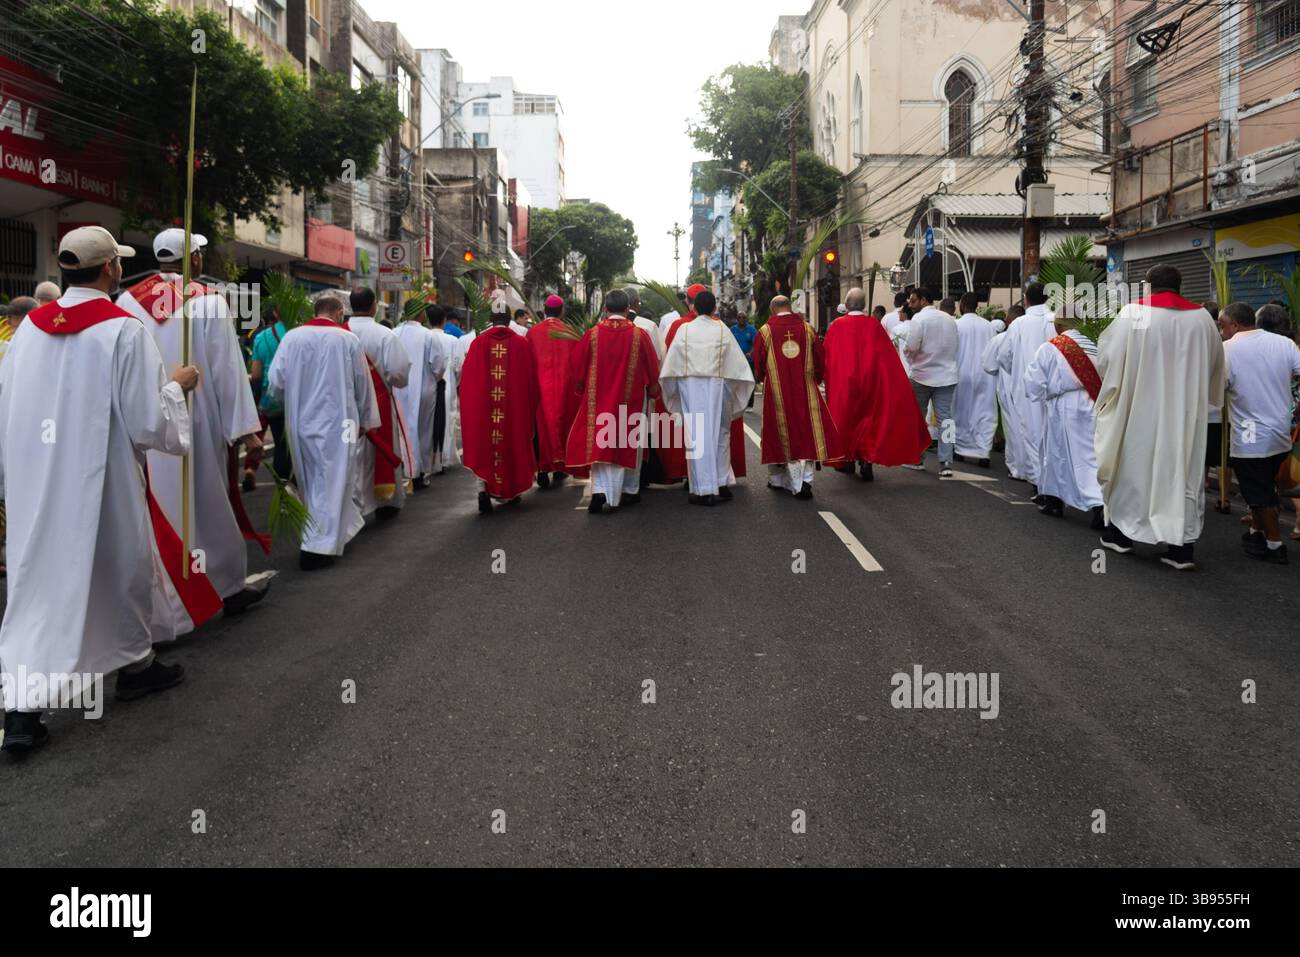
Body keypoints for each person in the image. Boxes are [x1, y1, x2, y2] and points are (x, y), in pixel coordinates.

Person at [0, 226, 205, 751]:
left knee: (41, 578)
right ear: (111, 268)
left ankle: (105, 674)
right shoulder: (122, 330)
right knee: (119, 567)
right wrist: (176, 389)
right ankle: (106, 680)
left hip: (39, 479)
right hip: (103, 478)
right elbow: (146, 422)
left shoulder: (27, 331)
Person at [117, 228, 271, 620]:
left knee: (160, 509)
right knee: (207, 500)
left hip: (148, 420)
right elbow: (228, 372)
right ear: (194, 260)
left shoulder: (128, 302)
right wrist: (245, 429)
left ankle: (165, 598)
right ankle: (225, 586)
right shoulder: (209, 301)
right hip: (198, 420)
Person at [1095, 264, 1225, 570]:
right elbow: (1217, 364)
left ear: (1149, 286)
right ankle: (1181, 549)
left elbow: (1109, 359)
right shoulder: (1202, 318)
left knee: (1133, 470)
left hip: (1139, 408)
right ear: (1179, 286)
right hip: (1184, 413)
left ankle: (1121, 536)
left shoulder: (1135, 313)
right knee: (1182, 474)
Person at [267, 294, 376, 570]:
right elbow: (362, 382)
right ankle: (318, 546)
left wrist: (284, 400)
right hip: (342, 422)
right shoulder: (347, 340)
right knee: (335, 479)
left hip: (302, 421)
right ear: (339, 313)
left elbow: (276, 382)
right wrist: (366, 417)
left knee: (312, 480)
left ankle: (336, 530)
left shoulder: (292, 338)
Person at [564, 289, 661, 512]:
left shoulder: (593, 334)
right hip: (630, 401)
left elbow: (577, 366)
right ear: (628, 309)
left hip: (598, 401)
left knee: (600, 445)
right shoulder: (639, 335)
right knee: (627, 444)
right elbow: (652, 367)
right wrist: (654, 389)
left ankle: (600, 491)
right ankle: (626, 491)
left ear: (606, 309)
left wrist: (580, 386)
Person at [1218, 302, 1300, 564]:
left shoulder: (1228, 349)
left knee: (1260, 493)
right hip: (1280, 430)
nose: (1221, 332)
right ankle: (1256, 532)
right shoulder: (1284, 344)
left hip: (1250, 435)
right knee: (1266, 487)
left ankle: (1275, 545)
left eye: (1222, 326)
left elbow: (1217, 389)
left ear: (1235, 325)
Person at [823, 288, 930, 480]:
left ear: (846, 306)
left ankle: (847, 460)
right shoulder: (874, 325)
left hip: (845, 382)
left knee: (847, 420)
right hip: (870, 381)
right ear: (864, 306)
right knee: (869, 420)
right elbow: (886, 358)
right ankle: (866, 460)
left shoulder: (836, 326)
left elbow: (828, 356)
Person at [658, 291, 754, 505]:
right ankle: (719, 482)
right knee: (721, 433)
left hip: (691, 387)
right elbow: (737, 365)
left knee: (697, 437)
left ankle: (704, 489)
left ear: (693, 308)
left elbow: (671, 364)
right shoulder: (721, 329)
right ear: (713, 309)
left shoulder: (684, 329)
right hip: (718, 388)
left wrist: (672, 390)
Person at [1023, 305, 1105, 528]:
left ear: (1059, 325)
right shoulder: (1097, 345)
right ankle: (1056, 497)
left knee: (1060, 453)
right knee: (1091, 454)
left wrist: (1039, 396)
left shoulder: (1051, 347)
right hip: (1095, 401)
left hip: (1064, 405)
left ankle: (1094, 505)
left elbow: (1033, 382)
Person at [752, 296, 843, 498]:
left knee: (778, 434)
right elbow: (820, 357)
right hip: (805, 389)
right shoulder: (807, 328)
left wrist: (761, 377)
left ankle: (778, 479)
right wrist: (816, 378)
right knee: (805, 431)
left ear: (772, 309)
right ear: (789, 307)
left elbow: (758, 362)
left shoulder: (765, 331)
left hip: (776, 393)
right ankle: (805, 480)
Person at [460, 292, 541, 514]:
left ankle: (482, 490)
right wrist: (529, 406)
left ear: (491, 319)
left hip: (484, 410)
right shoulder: (522, 344)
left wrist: (471, 408)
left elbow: (466, 385)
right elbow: (532, 382)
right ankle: (510, 493)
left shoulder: (478, 344)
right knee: (512, 445)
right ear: (508, 319)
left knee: (485, 445)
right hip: (513, 410)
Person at [347, 287, 414, 521]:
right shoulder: (384, 335)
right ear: (374, 306)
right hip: (378, 402)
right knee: (379, 452)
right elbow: (398, 374)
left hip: (345, 406)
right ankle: (384, 502)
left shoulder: (340, 332)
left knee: (350, 455)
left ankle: (352, 506)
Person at [992, 283, 1055, 484]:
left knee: (1030, 431)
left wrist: (1016, 371)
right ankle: (1050, 481)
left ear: (1026, 299)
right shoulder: (1056, 320)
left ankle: (1037, 480)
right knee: (1052, 432)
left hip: (1025, 386)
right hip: (1054, 385)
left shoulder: (1019, 324)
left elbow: (1003, 356)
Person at [903, 287, 960, 477]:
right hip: (947, 376)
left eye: (912, 301)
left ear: (923, 300)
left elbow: (911, 347)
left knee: (918, 418)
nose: (910, 305)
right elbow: (955, 346)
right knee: (947, 421)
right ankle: (946, 462)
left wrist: (911, 359)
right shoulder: (949, 319)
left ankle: (917, 458)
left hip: (922, 375)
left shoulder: (919, 319)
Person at [394, 299, 447, 488]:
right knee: (424, 429)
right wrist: (434, 378)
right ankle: (420, 471)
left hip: (399, 389)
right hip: (425, 389)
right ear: (420, 314)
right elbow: (439, 365)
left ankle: (407, 468)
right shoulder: (428, 336)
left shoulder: (394, 332)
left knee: (403, 429)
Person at [528, 294, 580, 488]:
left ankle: (542, 469)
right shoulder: (570, 332)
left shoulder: (533, 333)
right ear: (562, 310)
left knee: (541, 428)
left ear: (544, 309)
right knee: (563, 424)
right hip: (565, 389)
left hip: (540, 389)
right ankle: (560, 468)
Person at [952, 292, 999, 468]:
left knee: (960, 412)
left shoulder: (956, 325)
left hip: (961, 373)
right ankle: (983, 451)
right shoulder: (989, 327)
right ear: (977, 306)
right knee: (985, 412)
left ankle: (960, 450)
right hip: (985, 375)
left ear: (962, 305)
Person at [250, 306, 293, 483]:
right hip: (299, 397)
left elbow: (257, 375)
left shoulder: (262, 337)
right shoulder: (302, 333)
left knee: (280, 444)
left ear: (275, 312)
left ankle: (283, 492)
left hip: (274, 399)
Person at [982, 304, 1021, 468]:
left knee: (1012, 425)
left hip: (1008, 386)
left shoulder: (999, 339)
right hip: (1036, 387)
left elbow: (989, 365)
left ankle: (1016, 465)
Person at [425, 304, 460, 474]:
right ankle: (443, 458)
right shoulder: (453, 341)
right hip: (447, 385)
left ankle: (425, 460)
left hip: (425, 386)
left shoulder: (424, 337)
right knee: (447, 422)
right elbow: (459, 367)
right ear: (444, 321)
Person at [626, 287, 665, 361]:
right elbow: (658, 356)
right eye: (639, 303)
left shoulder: (607, 328)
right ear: (635, 302)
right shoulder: (649, 326)